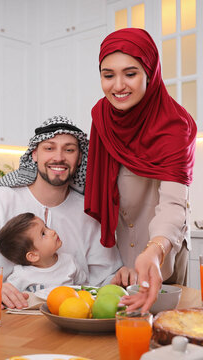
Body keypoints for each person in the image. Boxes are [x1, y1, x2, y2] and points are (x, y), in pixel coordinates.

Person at [0, 115, 122, 308]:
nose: (59, 157)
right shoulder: (0, 201)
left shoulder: (88, 211)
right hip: (4, 320)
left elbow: (103, 279)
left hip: (69, 323)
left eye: (69, 150)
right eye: (49, 148)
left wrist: (119, 278)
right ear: (34, 154)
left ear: (79, 159)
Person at [84, 28, 197, 313]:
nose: (118, 85)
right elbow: (99, 192)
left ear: (150, 72)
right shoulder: (101, 117)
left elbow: (173, 204)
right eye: (108, 75)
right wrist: (111, 261)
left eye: (130, 73)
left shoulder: (174, 126)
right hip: (115, 257)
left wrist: (154, 252)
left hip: (162, 255)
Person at [0, 212, 88, 292]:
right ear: (33, 256)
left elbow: (85, 288)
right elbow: (8, 296)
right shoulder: (21, 276)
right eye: (43, 233)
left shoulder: (69, 262)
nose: (52, 232)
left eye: (46, 227)